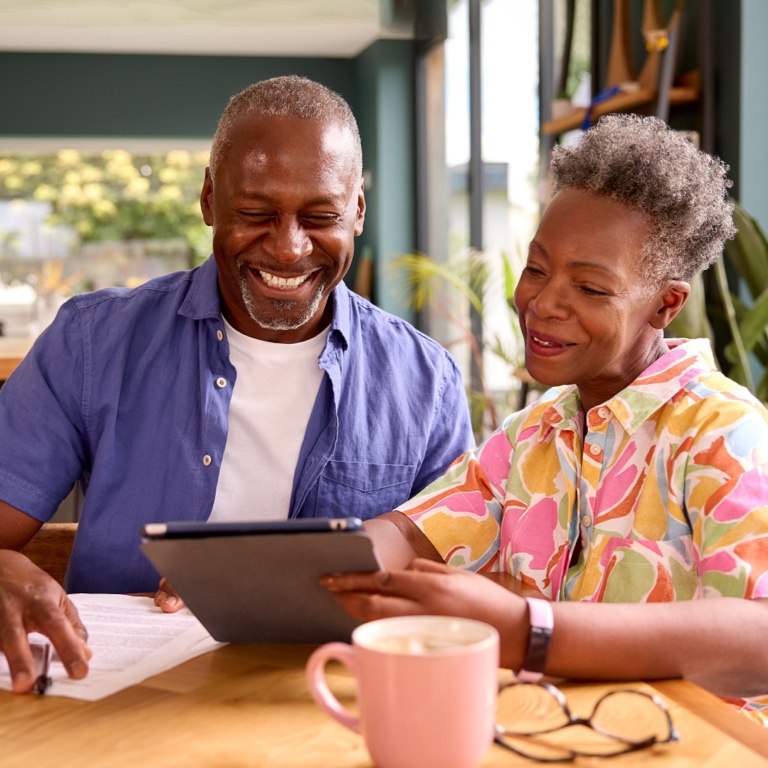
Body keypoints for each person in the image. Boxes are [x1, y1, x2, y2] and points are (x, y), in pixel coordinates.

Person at [0, 75, 473, 692]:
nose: (288, 248)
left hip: (323, 702)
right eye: (255, 214)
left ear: (357, 210)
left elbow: (461, 588)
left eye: (321, 216)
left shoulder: (425, 383)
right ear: (209, 201)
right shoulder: (91, 343)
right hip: (118, 702)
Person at [324, 114, 768, 721]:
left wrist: (530, 630)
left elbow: (761, 637)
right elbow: (408, 535)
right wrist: (278, 575)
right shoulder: (531, 435)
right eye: (536, 268)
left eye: (590, 288)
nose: (542, 302)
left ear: (666, 304)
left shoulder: (725, 434)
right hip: (559, 738)